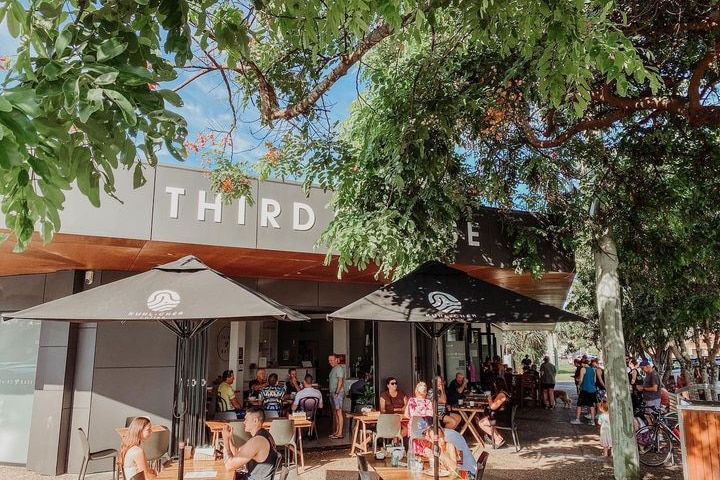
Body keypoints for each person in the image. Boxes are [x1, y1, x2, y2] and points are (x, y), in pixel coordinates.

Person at [222, 407, 279, 480]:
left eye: (246, 419)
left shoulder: (257, 441)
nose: (244, 422)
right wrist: (229, 439)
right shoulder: (264, 435)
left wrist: (225, 440)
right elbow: (237, 453)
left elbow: (229, 466)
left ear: (255, 421)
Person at [476, 378, 512, 448]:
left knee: (481, 423)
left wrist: (489, 398)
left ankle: (498, 439)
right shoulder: (506, 392)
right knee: (483, 418)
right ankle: (499, 438)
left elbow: (492, 407)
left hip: (502, 419)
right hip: (505, 417)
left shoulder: (501, 394)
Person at [571, 358, 597, 425]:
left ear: (583, 363)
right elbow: (594, 381)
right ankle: (593, 421)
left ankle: (577, 419)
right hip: (593, 389)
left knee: (579, 404)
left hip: (585, 389)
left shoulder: (583, 369)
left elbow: (581, 379)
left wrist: (578, 385)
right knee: (591, 405)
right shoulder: (593, 369)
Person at [328, 353, 346, 439]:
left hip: (337, 393)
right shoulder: (333, 369)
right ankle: (337, 431)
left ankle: (340, 433)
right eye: (329, 360)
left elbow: (340, 380)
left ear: (336, 360)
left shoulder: (338, 368)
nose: (330, 362)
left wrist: (337, 392)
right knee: (335, 412)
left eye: (331, 360)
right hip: (333, 392)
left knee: (339, 412)